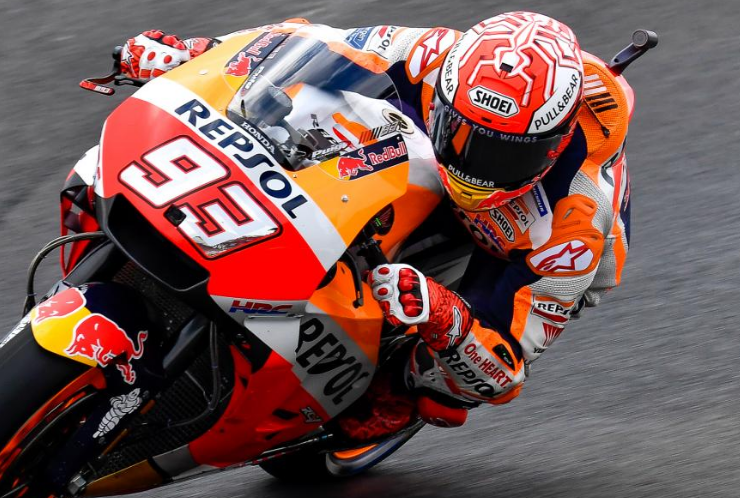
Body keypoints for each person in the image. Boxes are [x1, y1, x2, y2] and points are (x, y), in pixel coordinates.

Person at [112, 12, 632, 441]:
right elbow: (300, 44)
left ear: (555, 144)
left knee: (447, 388)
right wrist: (197, 53)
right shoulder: (432, 56)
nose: (474, 166)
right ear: (448, 93)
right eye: (462, 133)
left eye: (503, 154)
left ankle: (395, 394)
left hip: (515, 245)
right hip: (418, 158)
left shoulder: (578, 219)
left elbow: (506, 368)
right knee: (311, 106)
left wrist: (446, 317)